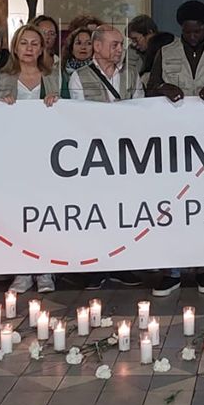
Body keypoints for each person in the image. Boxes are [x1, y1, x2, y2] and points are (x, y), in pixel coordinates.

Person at [146, 0, 204, 296]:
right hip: (173, 144)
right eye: (188, 32)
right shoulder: (165, 53)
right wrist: (164, 88)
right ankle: (172, 270)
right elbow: (150, 89)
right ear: (180, 29)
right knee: (173, 205)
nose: (193, 36)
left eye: (198, 31)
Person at [67, 25, 147, 290]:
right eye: (114, 45)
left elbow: (140, 111)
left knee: (124, 209)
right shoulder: (79, 77)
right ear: (97, 47)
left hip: (126, 153)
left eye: (121, 45)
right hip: (95, 154)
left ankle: (123, 264)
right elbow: (81, 116)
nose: (119, 50)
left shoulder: (132, 75)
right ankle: (96, 266)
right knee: (97, 211)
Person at [1, 25, 61, 294]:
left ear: (42, 48)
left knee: (46, 212)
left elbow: (69, 110)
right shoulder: (3, 76)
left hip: (48, 154)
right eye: (23, 43)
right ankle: (22, 270)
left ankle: (46, 270)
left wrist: (56, 101)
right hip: (14, 154)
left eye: (34, 43)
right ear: (15, 47)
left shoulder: (52, 76)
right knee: (19, 213)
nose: (29, 48)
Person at [126, 14, 174, 81]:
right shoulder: (132, 51)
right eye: (131, 40)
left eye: (136, 39)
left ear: (150, 33)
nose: (134, 44)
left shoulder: (168, 47)